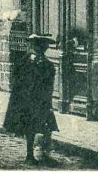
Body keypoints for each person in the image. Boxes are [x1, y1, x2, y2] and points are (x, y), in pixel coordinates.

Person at [4, 34, 58, 165]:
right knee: (30, 128)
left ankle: (44, 154)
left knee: (46, 127)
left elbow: (48, 86)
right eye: (39, 46)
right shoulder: (24, 61)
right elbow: (16, 79)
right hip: (26, 100)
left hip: (41, 101)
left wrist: (48, 102)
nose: (42, 49)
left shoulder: (48, 65)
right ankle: (29, 155)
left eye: (44, 46)